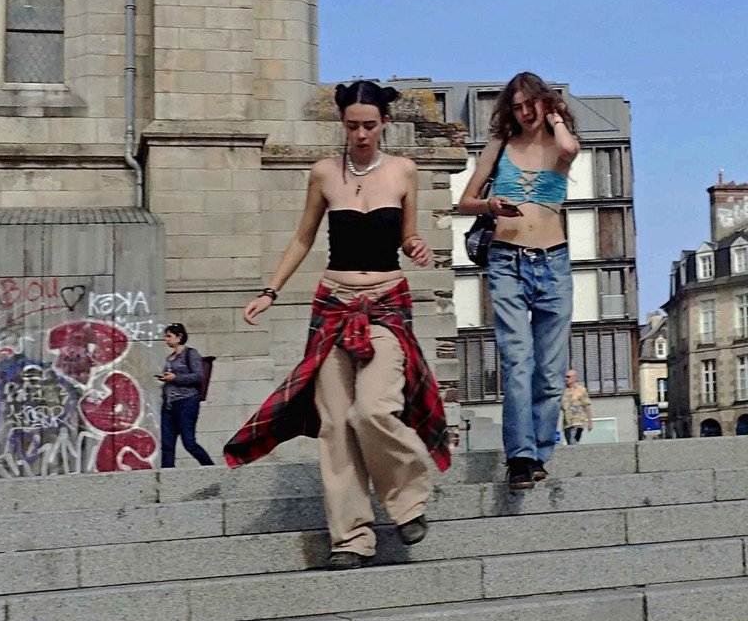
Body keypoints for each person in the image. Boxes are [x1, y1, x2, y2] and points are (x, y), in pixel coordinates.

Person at [224, 80, 451, 570]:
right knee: (335, 425)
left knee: (372, 410)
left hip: (387, 304)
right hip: (333, 305)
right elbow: (303, 238)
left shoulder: (404, 171)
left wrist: (418, 247)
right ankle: (351, 538)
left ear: (384, 123)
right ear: (342, 124)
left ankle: (408, 503)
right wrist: (270, 291)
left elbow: (410, 235)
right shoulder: (324, 173)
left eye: (370, 125)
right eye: (352, 126)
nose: (361, 134)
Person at [458, 72, 579, 491]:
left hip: (554, 263)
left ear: (546, 104)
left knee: (549, 369)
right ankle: (521, 456)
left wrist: (559, 117)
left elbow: (568, 147)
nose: (525, 113)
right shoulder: (499, 146)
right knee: (517, 362)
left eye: (533, 104)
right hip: (507, 260)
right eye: (517, 106)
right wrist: (490, 203)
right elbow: (464, 202)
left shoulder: (559, 148)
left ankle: (541, 450)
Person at [158, 323, 214, 468]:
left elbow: (198, 376)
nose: (166, 339)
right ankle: (166, 477)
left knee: (189, 442)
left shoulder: (190, 354)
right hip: (169, 404)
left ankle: (211, 468)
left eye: (169, 336)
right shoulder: (169, 358)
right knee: (167, 444)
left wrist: (175, 378)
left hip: (186, 402)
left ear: (179, 337)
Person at [562, 368, 593, 444]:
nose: (566, 379)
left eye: (568, 377)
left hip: (578, 423)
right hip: (567, 424)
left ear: (575, 378)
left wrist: (590, 422)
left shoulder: (581, 390)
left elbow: (586, 406)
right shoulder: (563, 391)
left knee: (574, 442)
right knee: (570, 443)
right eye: (565, 377)